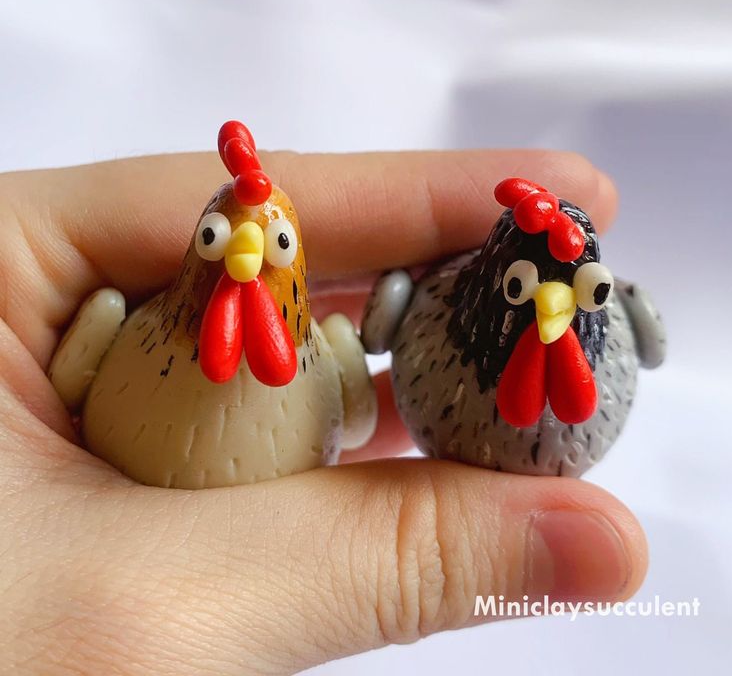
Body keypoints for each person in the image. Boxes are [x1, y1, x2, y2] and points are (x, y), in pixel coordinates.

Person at [0, 147, 646, 674]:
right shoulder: (121, 328)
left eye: (271, 243)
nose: (246, 259)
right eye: (218, 240)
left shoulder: (334, 358)